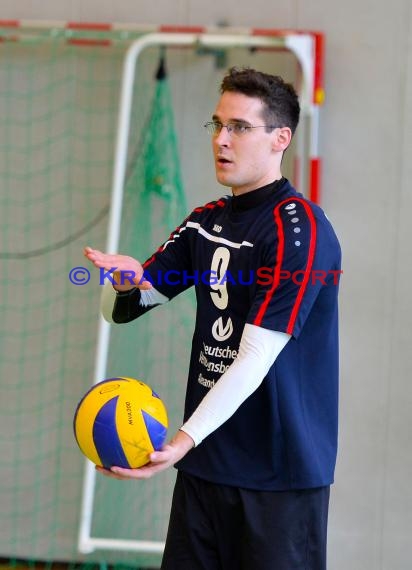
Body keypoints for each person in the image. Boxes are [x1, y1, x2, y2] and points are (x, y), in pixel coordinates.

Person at [84, 66, 341, 570]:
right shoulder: (205, 222)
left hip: (278, 476)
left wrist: (180, 440)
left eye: (240, 127)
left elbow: (255, 357)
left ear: (279, 139)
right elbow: (126, 311)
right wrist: (122, 283)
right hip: (205, 468)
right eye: (217, 125)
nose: (222, 140)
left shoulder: (301, 230)